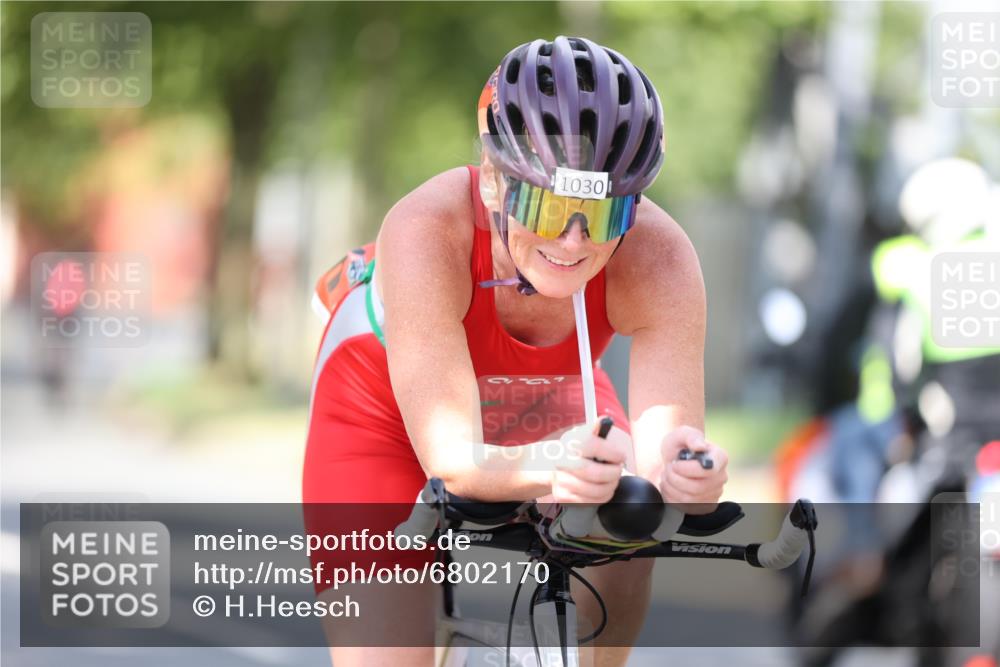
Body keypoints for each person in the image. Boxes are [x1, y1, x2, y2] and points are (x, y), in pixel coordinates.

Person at [303, 35, 729, 667]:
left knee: (630, 525)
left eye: (602, 214)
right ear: (495, 181)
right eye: (549, 206)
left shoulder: (659, 258)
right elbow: (455, 460)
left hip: (549, 401)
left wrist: (685, 475)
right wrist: (559, 465)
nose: (573, 240)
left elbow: (665, 448)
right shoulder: (426, 230)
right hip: (382, 413)